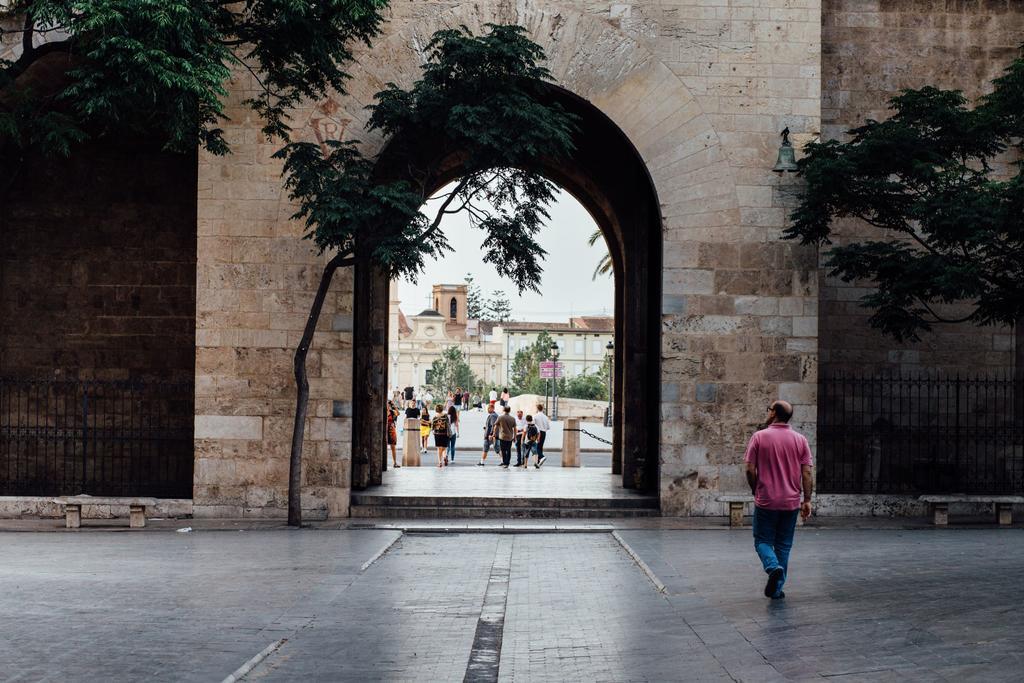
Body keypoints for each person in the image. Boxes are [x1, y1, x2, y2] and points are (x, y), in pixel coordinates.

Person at [744, 400, 814, 600]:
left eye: (769, 409)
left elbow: (749, 469)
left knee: (762, 541)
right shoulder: (800, 440)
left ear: (774, 413)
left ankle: (773, 567)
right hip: (790, 502)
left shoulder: (759, 437)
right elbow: (807, 473)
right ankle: (776, 589)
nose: (767, 413)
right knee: (783, 545)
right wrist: (807, 500)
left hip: (766, 500)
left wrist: (755, 488)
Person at [386, 401, 400, 469]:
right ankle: (384, 462)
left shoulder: (392, 412)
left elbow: (398, 413)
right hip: (385, 430)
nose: (387, 406)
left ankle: (395, 463)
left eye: (388, 405)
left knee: (393, 447)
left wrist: (394, 405)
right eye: (387, 405)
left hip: (391, 430)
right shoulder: (383, 412)